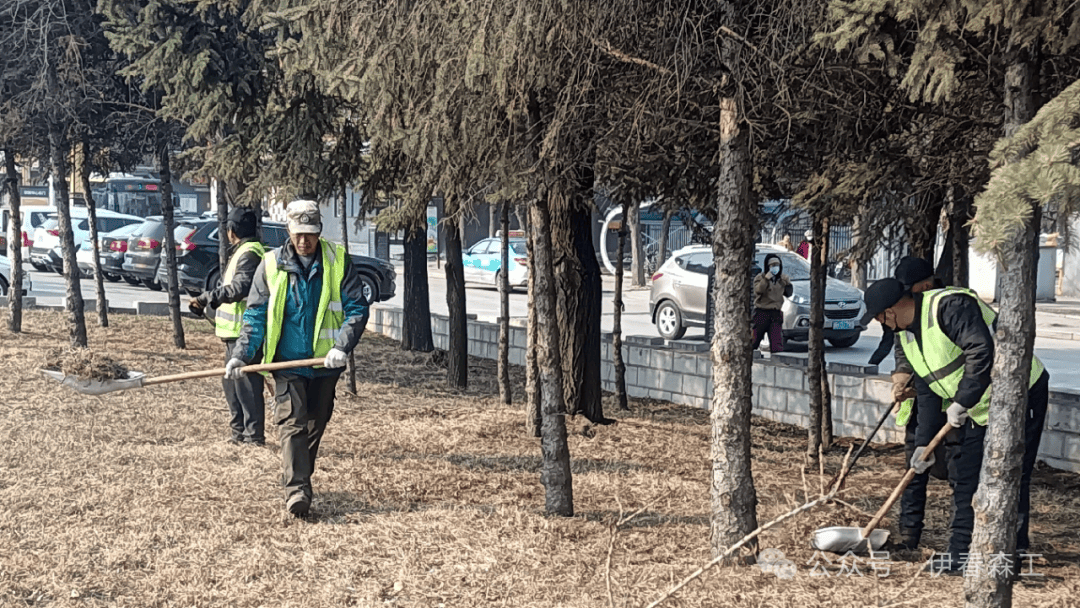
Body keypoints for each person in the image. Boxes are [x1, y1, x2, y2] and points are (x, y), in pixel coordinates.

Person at [860, 277, 1049, 574]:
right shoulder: (907, 336)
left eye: (880, 318)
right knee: (966, 479)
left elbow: (981, 352)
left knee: (1013, 473)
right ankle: (960, 553)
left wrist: (962, 401)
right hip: (976, 407)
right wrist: (925, 443)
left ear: (891, 310)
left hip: (1019, 393)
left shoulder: (950, 307)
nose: (882, 324)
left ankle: (1013, 554)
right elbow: (927, 388)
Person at [227, 200, 370, 517]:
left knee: (315, 424)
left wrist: (341, 347)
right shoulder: (270, 265)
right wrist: (241, 355)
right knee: (291, 423)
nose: (303, 241)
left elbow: (357, 309)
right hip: (286, 364)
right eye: (297, 234)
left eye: (310, 234)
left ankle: (297, 474)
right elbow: (255, 317)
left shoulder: (338, 261)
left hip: (325, 366)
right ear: (288, 232)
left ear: (319, 231)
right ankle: (297, 492)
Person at [866, 257, 948, 551]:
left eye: (909, 288)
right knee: (915, 464)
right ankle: (908, 535)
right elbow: (903, 347)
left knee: (954, 470)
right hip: (924, 396)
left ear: (925, 284)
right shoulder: (903, 314)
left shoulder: (945, 309)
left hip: (953, 402)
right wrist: (902, 379)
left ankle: (966, 540)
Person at [190, 207, 267, 446]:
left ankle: (253, 438)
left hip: (245, 335)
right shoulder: (245, 251)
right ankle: (237, 436)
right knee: (232, 386)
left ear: (231, 231)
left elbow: (240, 288)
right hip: (233, 336)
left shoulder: (249, 254)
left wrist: (207, 298)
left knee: (247, 388)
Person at [752, 253, 792, 353]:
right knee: (753, 340)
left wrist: (788, 284)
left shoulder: (781, 280)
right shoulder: (760, 278)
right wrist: (766, 279)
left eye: (777, 265)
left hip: (775, 313)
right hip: (762, 312)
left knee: (776, 343)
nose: (775, 268)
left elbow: (788, 293)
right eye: (772, 265)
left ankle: (777, 363)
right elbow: (758, 290)